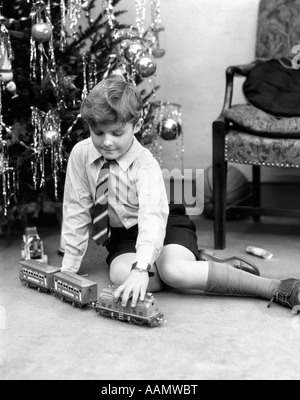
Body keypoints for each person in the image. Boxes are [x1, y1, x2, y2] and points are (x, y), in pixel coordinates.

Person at [61, 75, 300, 311]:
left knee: (173, 271)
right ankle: (202, 265)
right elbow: (76, 207)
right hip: (123, 235)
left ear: (137, 126)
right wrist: (68, 269)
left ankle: (276, 287)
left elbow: (152, 218)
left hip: (164, 223)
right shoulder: (81, 155)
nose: (107, 142)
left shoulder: (145, 165)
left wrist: (142, 268)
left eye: (116, 133)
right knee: (122, 275)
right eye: (98, 132)